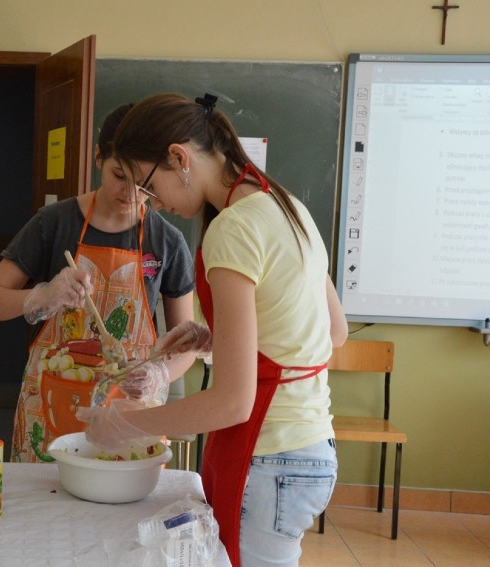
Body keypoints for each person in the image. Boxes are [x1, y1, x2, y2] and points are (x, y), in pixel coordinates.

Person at [77, 93, 349, 567]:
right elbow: (333, 331)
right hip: (311, 449)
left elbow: (232, 402)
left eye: (150, 187)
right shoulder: (286, 206)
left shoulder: (233, 229)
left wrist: (127, 425)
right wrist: (215, 337)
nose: (152, 204)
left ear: (179, 158)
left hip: (268, 455)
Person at [0, 104, 197, 463]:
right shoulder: (53, 223)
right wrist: (40, 295)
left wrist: (159, 374)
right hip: (48, 409)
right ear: (97, 158)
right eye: (119, 175)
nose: (131, 194)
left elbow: (185, 344)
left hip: (129, 411)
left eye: (144, 186)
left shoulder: (166, 241)